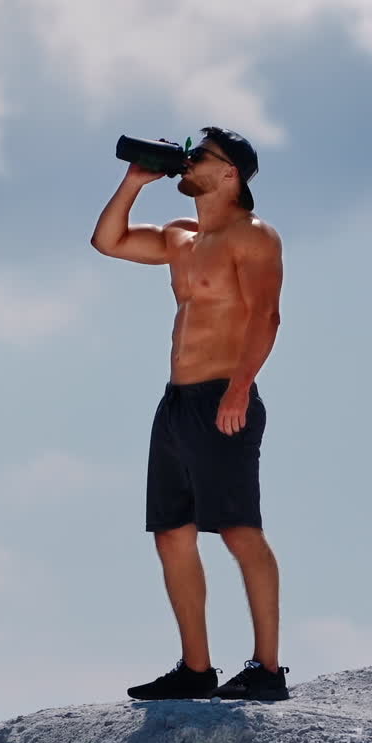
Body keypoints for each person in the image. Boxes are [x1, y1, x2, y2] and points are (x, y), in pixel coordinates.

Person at [91, 126, 289, 703]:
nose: (190, 160)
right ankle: (197, 669)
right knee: (172, 534)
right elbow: (108, 241)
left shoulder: (252, 236)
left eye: (201, 155)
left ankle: (268, 669)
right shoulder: (182, 236)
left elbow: (266, 316)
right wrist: (134, 180)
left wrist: (240, 389)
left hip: (223, 397)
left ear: (231, 173)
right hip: (177, 402)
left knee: (239, 531)